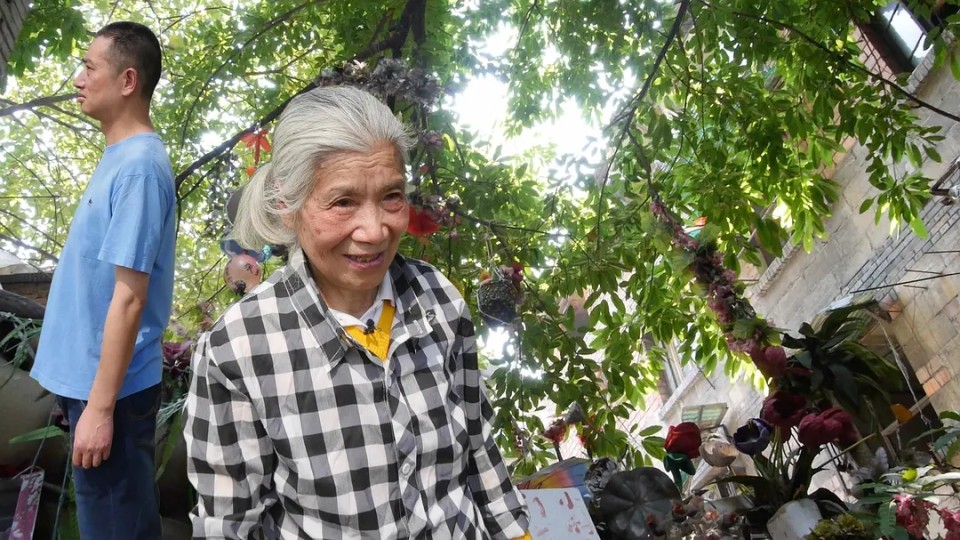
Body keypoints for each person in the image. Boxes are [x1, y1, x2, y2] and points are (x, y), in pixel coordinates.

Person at [184, 86, 530, 539]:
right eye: (343, 202)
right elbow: (229, 525)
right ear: (288, 206)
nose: (374, 231)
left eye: (391, 196)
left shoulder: (438, 300)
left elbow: (479, 446)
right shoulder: (237, 349)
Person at [30, 21, 174, 539]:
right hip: (94, 387)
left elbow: (130, 299)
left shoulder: (139, 167)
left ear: (128, 80)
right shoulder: (120, 159)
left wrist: (100, 407)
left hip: (113, 392)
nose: (78, 78)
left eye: (90, 67)